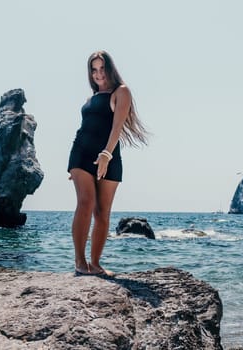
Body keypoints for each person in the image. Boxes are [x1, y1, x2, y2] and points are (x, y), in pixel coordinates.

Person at [67, 50, 148, 276]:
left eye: (102, 68)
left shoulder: (121, 92)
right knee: (86, 201)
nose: (98, 74)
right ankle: (80, 262)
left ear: (110, 69)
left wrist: (106, 154)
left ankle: (95, 264)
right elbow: (85, 129)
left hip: (109, 155)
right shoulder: (89, 99)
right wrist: (75, 166)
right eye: (94, 69)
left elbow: (117, 127)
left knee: (102, 212)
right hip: (81, 153)